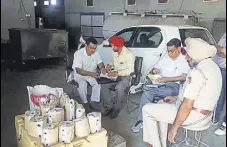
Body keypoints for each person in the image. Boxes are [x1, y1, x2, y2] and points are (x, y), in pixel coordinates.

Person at [142, 38, 222, 147]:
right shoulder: (213, 67)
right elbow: (200, 94)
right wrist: (175, 97)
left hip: (194, 115)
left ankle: (154, 145)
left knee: (147, 109)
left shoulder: (196, 72)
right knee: (161, 103)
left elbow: (187, 105)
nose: (186, 57)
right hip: (207, 115)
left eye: (188, 54)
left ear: (196, 54)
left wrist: (174, 128)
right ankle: (160, 144)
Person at [131, 38, 190, 133]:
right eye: (168, 50)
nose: (169, 53)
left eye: (172, 51)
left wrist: (168, 79)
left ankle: (144, 87)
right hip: (159, 84)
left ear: (179, 49)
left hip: (173, 86)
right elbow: (155, 68)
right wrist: (155, 71)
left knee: (151, 91)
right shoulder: (165, 57)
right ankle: (140, 121)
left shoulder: (184, 60)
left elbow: (185, 77)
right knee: (147, 93)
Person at [101, 36, 135, 119]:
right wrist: (109, 66)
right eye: (111, 45)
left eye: (113, 46)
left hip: (126, 78)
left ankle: (116, 108)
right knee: (103, 86)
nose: (112, 47)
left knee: (119, 87)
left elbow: (130, 70)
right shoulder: (115, 52)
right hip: (116, 77)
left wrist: (116, 73)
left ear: (119, 46)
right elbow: (112, 61)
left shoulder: (129, 54)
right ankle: (109, 106)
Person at [72, 37, 105, 112]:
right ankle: (85, 103)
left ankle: (94, 102)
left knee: (97, 83)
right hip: (79, 74)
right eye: (91, 48)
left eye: (94, 48)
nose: (93, 50)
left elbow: (100, 63)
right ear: (86, 46)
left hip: (90, 73)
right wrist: (92, 74)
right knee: (82, 84)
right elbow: (79, 70)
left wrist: (102, 68)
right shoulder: (78, 54)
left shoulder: (96, 52)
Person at [214, 32, 226, 136]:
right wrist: (221, 50)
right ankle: (215, 118)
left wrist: (221, 50)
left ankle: (225, 126)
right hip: (221, 69)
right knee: (219, 95)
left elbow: (222, 50)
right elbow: (217, 48)